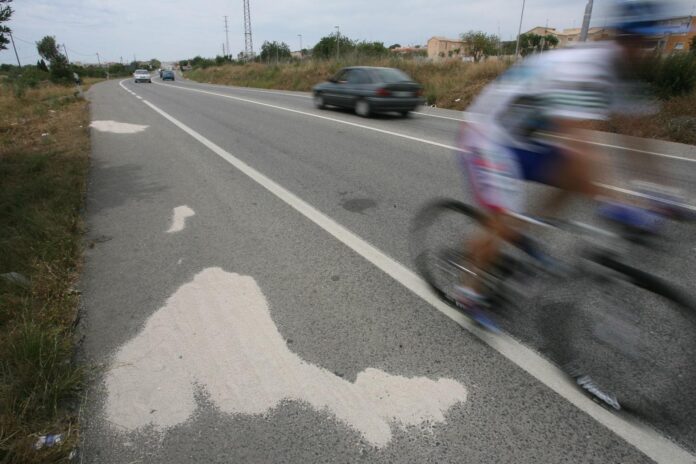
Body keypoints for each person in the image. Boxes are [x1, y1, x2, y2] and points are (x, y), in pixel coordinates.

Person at [455, 0, 681, 322]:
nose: (644, 51)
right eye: (637, 43)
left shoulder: (621, 74)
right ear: (620, 40)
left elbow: (638, 139)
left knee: (573, 177)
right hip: (486, 136)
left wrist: (669, 195)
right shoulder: (582, 70)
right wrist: (613, 202)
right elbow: (581, 144)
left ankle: (524, 231)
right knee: (503, 219)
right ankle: (470, 293)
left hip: (521, 139)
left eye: (648, 44)